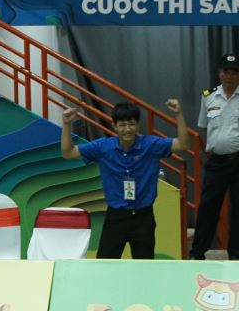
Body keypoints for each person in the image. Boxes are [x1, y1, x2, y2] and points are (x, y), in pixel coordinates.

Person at [61, 100, 188, 259]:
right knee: (105, 264)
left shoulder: (151, 145)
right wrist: (67, 124)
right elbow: (68, 153)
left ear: (138, 125)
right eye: (122, 125)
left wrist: (178, 114)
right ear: (114, 126)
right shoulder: (103, 147)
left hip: (143, 218)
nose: (127, 129)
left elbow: (183, 144)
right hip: (116, 217)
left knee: (145, 265)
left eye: (131, 124)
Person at [192, 54, 239, 260]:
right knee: (208, 208)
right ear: (219, 73)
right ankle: (197, 253)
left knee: (238, 211)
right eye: (226, 71)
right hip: (217, 162)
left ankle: (236, 256)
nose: (230, 76)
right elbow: (204, 126)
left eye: (234, 72)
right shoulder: (208, 96)